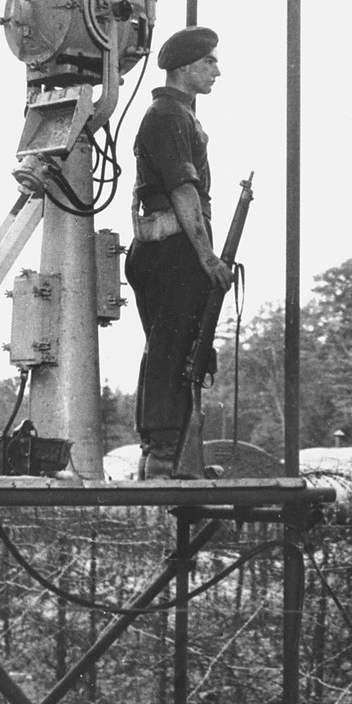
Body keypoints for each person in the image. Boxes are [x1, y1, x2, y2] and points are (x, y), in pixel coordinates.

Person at [124, 27, 233, 479]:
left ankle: (168, 453)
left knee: (176, 348)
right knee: (172, 349)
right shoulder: (169, 116)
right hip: (174, 249)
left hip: (167, 247)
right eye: (209, 62)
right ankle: (165, 456)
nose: (216, 71)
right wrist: (207, 256)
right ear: (186, 68)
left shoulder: (177, 115)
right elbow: (184, 191)